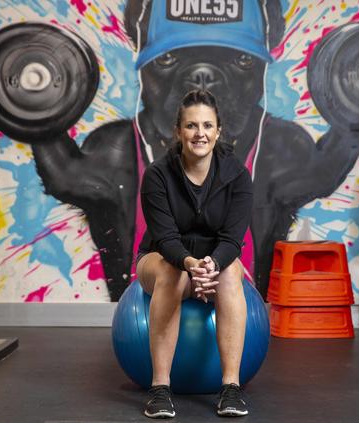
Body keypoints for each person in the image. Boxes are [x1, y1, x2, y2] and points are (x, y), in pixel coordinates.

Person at [136, 90, 253, 418]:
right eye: (191, 126)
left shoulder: (238, 177)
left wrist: (212, 265)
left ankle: (230, 388)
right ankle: (160, 389)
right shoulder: (158, 175)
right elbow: (166, 238)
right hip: (163, 260)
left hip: (215, 265)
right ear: (178, 131)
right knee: (170, 272)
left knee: (232, 271)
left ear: (218, 131)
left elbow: (232, 240)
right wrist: (190, 265)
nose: (199, 133)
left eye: (207, 125)